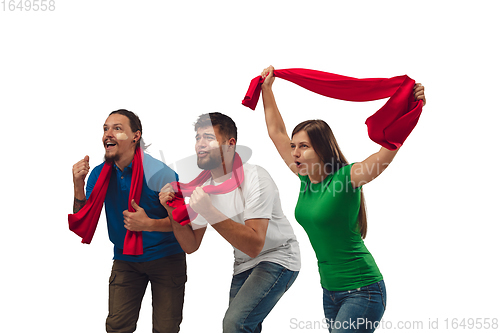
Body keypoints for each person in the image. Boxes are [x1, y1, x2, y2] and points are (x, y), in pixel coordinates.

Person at [259, 66, 426, 333]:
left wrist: (409, 110)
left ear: (322, 149)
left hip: (364, 291)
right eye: (294, 146)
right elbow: (276, 131)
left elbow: (382, 157)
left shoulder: (347, 178)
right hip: (330, 292)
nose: (295, 152)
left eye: (303, 146)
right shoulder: (304, 179)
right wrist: (267, 89)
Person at [159, 112, 301, 333]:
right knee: (242, 327)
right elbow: (190, 245)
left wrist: (209, 210)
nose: (200, 144)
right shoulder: (204, 187)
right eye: (197, 138)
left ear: (229, 144)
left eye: (208, 137)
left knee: (235, 324)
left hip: (278, 257)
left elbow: (255, 245)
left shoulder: (256, 177)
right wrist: (170, 210)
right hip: (243, 263)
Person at [71, 109, 186, 333]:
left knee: (166, 328)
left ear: (136, 136)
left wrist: (149, 224)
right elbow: (83, 220)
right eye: (105, 128)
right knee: (117, 327)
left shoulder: (160, 173)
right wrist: (78, 185)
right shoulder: (99, 174)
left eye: (117, 128)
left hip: (166, 257)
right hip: (126, 259)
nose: (108, 134)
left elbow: (185, 224)